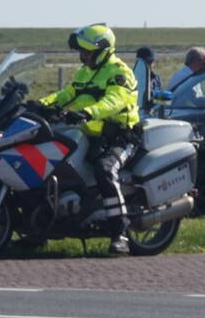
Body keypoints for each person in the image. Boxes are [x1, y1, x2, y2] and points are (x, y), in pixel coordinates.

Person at [36, 24, 139, 254]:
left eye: (87, 51)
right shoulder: (86, 71)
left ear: (102, 50)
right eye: (81, 52)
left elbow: (114, 101)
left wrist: (88, 112)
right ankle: (40, 232)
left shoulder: (120, 73)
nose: (82, 56)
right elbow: (68, 94)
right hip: (90, 135)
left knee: (105, 170)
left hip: (119, 136)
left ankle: (119, 232)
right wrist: (41, 104)